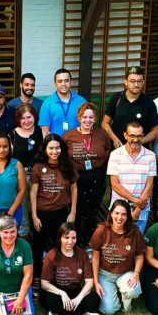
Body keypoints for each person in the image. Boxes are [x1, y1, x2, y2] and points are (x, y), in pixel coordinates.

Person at [30, 134, 78, 292]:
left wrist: (72, 212)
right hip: (42, 213)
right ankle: (37, 277)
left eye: (57, 147)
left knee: (61, 246)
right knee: (38, 247)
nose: (54, 151)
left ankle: (59, 276)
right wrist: (34, 216)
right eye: (51, 148)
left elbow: (74, 189)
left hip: (62, 212)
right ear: (45, 149)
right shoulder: (38, 166)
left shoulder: (68, 165)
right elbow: (33, 193)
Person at [62, 102, 111, 245]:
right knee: (76, 211)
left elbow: (107, 151)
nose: (87, 121)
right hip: (77, 178)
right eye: (84, 117)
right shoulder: (69, 135)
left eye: (91, 117)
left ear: (95, 118)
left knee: (93, 211)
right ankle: (75, 241)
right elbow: (63, 157)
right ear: (78, 118)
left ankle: (90, 241)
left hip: (97, 177)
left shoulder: (102, 134)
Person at [89, 199, 145, 315]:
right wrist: (96, 282)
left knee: (133, 291)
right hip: (105, 275)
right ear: (111, 213)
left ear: (128, 216)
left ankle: (126, 303)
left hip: (125, 272)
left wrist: (136, 273)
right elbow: (95, 258)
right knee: (109, 310)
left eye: (124, 214)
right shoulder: (101, 231)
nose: (120, 217)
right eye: (117, 213)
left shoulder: (134, 232)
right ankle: (115, 296)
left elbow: (140, 255)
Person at [40, 222, 103, 315]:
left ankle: (58, 312)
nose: (70, 241)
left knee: (95, 299)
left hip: (75, 292)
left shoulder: (82, 255)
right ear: (60, 238)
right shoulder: (51, 255)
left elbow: (89, 282)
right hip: (57, 293)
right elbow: (44, 283)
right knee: (45, 298)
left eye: (73, 238)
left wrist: (79, 298)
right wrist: (62, 293)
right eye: (66, 238)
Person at [107, 121, 156, 234]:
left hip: (141, 211)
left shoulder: (150, 156)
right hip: (118, 211)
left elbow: (149, 185)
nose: (135, 139)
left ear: (143, 136)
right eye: (132, 135)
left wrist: (138, 209)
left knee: (135, 245)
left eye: (139, 136)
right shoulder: (115, 155)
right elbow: (115, 185)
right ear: (125, 135)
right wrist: (136, 201)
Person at [101, 66, 158, 147]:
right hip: (118, 149)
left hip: (139, 151)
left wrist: (139, 141)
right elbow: (105, 123)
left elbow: (155, 130)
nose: (136, 84)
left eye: (139, 81)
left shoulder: (149, 103)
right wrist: (114, 139)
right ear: (126, 82)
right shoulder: (117, 98)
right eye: (132, 81)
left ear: (143, 82)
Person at [9, 103, 43, 238]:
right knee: (22, 211)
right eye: (23, 118)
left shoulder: (42, 132)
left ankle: (40, 239)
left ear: (34, 117)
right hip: (20, 178)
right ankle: (24, 239)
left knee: (38, 209)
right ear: (18, 119)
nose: (26, 121)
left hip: (39, 178)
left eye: (29, 117)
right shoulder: (12, 135)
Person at [38, 68, 87, 137]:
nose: (63, 84)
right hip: (57, 145)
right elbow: (45, 130)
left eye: (66, 81)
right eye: (60, 81)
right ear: (55, 84)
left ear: (71, 82)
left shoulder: (81, 101)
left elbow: (87, 125)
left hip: (77, 145)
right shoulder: (47, 104)